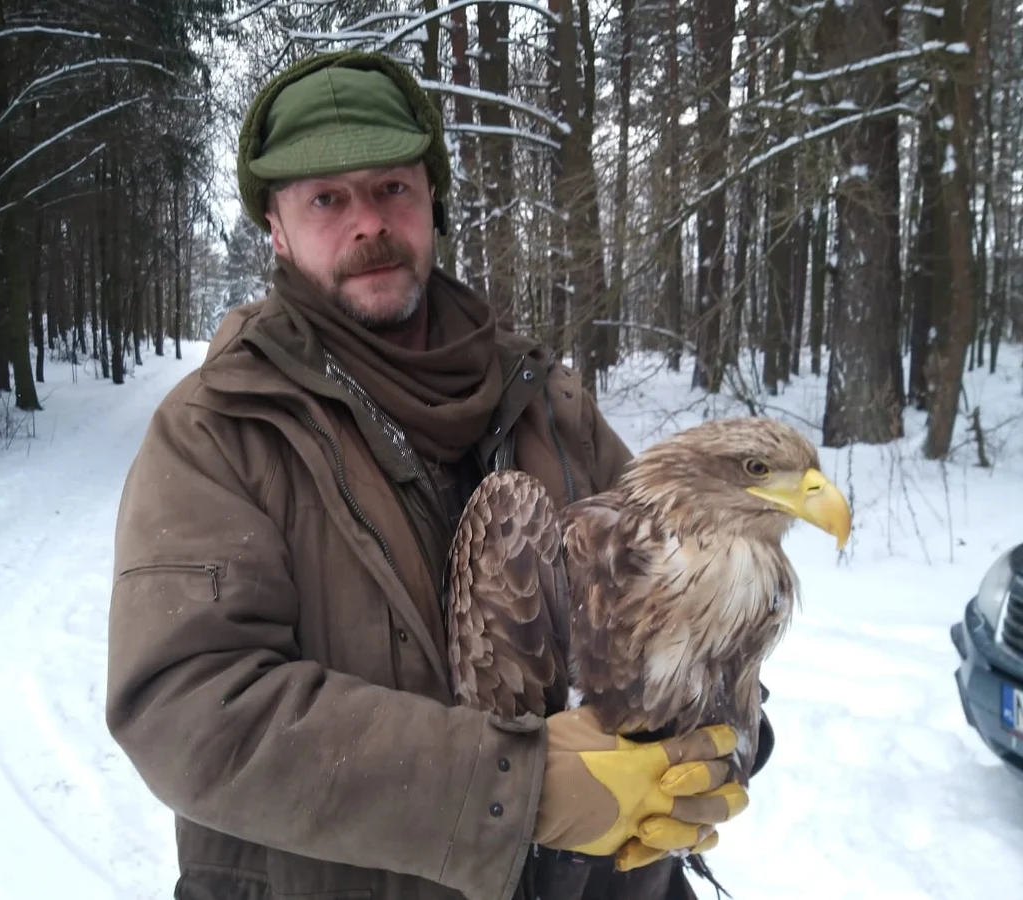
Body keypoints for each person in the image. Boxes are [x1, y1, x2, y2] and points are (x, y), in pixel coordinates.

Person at [105, 50, 771, 900]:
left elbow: (675, 600)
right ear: (274, 227)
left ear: (431, 199)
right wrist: (512, 792)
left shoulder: (551, 406)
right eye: (325, 199)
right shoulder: (218, 433)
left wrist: (717, 738)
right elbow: (189, 708)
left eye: (392, 187)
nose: (367, 223)